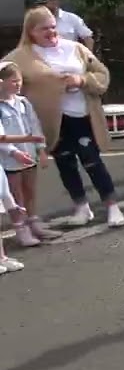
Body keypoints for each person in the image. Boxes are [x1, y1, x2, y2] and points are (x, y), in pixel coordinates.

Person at [4, 7, 124, 228]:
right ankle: (81, 207)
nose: (51, 31)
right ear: (31, 32)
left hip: (82, 115)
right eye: (44, 29)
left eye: (53, 26)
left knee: (92, 161)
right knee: (65, 164)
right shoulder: (21, 56)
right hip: (51, 122)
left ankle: (112, 206)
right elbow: (4, 75)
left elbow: (102, 74)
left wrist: (82, 81)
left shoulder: (75, 48)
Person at [0, 61, 57, 247]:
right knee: (17, 196)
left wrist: (41, 150)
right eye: (12, 81)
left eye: (19, 80)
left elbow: (35, 126)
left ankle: (35, 224)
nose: (17, 84)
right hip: (9, 160)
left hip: (29, 154)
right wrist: (13, 152)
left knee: (30, 192)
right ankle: (21, 229)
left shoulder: (23, 103)